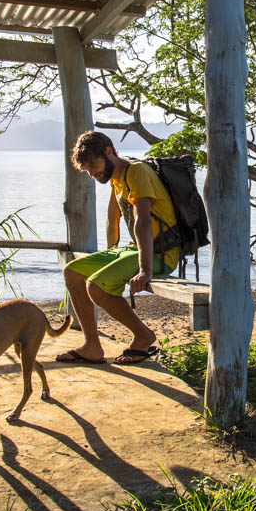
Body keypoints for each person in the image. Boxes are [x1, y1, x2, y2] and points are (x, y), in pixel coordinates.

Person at [56, 130, 179, 365]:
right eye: (88, 170)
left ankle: (143, 336)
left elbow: (142, 221)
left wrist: (145, 271)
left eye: (94, 165)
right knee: (72, 271)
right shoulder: (116, 179)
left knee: (96, 287)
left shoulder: (137, 172)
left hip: (161, 254)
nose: (92, 173)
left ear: (109, 152)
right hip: (134, 249)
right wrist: (110, 254)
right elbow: (112, 219)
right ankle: (92, 345)